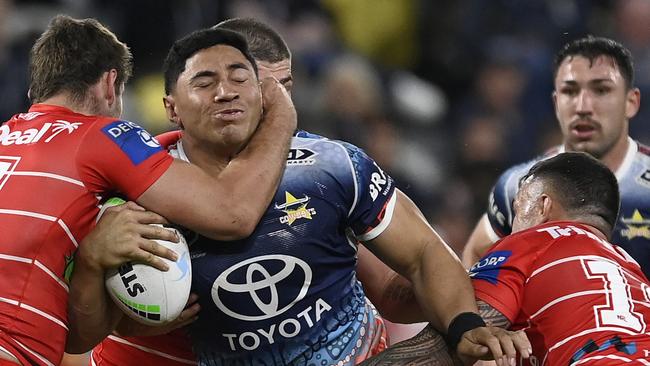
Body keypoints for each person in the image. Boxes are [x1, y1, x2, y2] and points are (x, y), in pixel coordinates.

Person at [88, 26, 530, 366]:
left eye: (240, 77)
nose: (226, 91)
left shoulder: (329, 164)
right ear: (172, 106)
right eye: (205, 82)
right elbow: (79, 330)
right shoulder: (133, 195)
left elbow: (420, 256)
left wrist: (467, 321)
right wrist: (95, 264)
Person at [0, 15, 296, 366]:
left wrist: (93, 262)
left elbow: (76, 337)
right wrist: (282, 116)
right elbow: (233, 215)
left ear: (37, 91)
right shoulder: (105, 135)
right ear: (112, 85)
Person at [363, 152, 650, 365]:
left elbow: (438, 351)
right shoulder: (636, 275)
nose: (512, 226)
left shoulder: (536, 241)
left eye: (518, 206)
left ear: (542, 205)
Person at [461, 36, 650, 280]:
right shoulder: (517, 186)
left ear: (631, 103)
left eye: (601, 90)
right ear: (556, 102)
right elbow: (475, 259)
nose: (583, 106)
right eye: (570, 91)